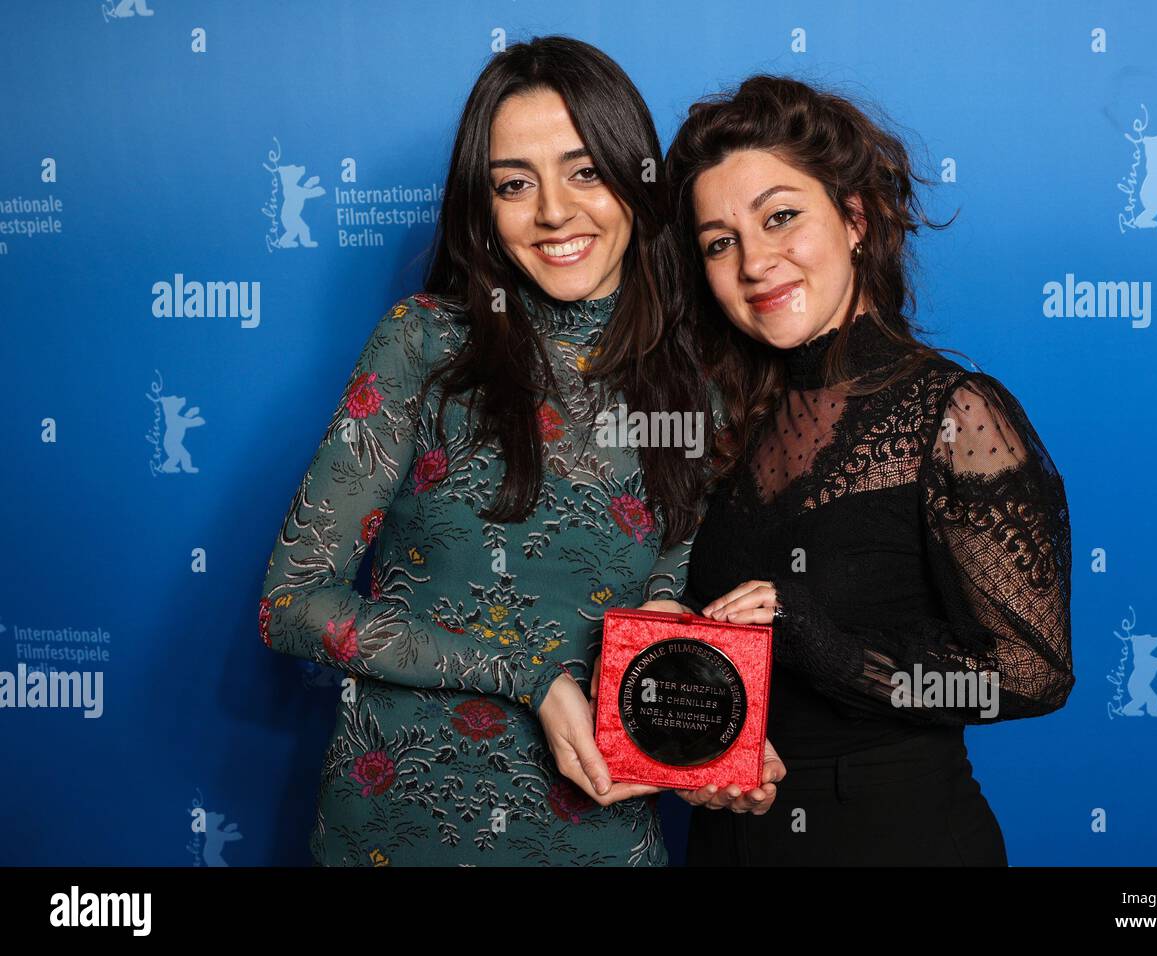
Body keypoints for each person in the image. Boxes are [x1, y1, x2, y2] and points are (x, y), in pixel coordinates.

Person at [258, 36, 716, 866]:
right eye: (515, 183)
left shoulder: (698, 389)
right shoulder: (423, 344)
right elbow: (291, 604)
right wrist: (528, 677)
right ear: (484, 207)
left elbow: (669, 638)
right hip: (395, 832)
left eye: (585, 172)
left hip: (600, 837)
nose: (553, 212)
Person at [659, 75, 1076, 865]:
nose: (754, 262)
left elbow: (1030, 674)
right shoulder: (722, 427)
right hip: (731, 840)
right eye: (720, 241)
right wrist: (704, 748)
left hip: (895, 834)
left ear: (854, 218)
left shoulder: (955, 414)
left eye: (781, 216)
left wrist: (824, 641)